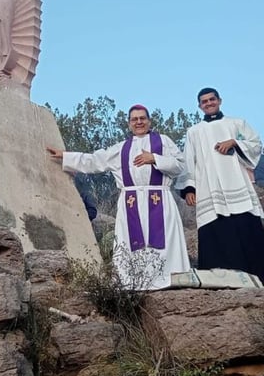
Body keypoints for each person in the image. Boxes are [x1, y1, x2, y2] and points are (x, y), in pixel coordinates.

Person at [47, 105, 189, 290]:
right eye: (134, 119)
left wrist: (155, 158)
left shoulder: (164, 142)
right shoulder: (121, 148)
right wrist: (66, 157)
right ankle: (133, 282)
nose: (139, 122)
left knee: (163, 241)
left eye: (142, 118)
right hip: (131, 201)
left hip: (159, 199)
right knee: (132, 242)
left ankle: (167, 279)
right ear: (129, 124)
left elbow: (180, 166)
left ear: (149, 121)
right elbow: (94, 161)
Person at [177, 87, 264, 280]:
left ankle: (257, 276)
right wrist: (189, 188)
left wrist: (234, 142)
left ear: (220, 101)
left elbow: (256, 144)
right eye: (204, 101)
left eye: (212, 99)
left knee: (246, 227)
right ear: (199, 106)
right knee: (216, 231)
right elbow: (189, 161)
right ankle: (219, 279)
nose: (209, 103)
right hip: (210, 187)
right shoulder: (194, 132)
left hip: (237, 183)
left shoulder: (237, 123)